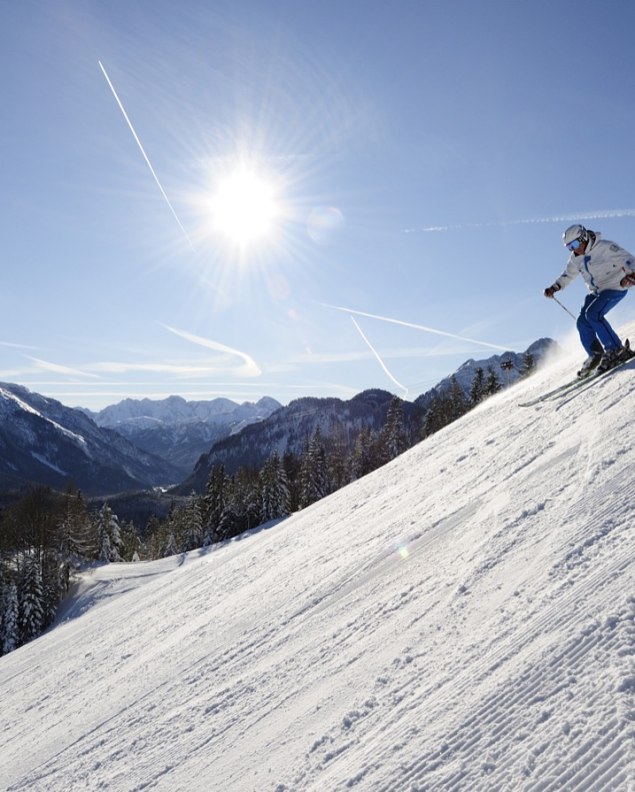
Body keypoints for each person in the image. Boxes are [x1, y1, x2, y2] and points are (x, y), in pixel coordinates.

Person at [544, 224, 635, 377]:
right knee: (582, 322)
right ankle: (595, 355)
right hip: (597, 291)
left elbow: (628, 259)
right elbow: (568, 275)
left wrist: (632, 275)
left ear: (583, 238)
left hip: (615, 286)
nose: (573, 249)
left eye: (574, 245)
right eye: (569, 247)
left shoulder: (605, 247)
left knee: (593, 314)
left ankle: (616, 350)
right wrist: (555, 287)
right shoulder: (575, 258)